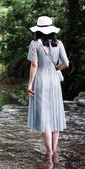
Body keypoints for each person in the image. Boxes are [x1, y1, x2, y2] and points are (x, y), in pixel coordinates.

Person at [27, 16, 69, 156]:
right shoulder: (59, 43)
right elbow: (66, 64)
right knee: (55, 115)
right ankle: (54, 151)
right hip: (54, 83)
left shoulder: (34, 44)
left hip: (40, 82)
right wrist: (56, 69)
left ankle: (49, 153)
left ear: (38, 30)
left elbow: (34, 64)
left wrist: (30, 84)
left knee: (45, 117)